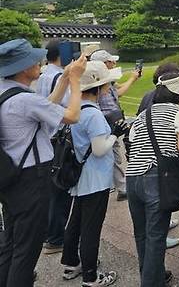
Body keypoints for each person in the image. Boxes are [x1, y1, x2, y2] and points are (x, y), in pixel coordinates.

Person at [0, 38, 85, 287]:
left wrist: (66, 78)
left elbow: (45, 107)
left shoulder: (7, 90)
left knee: (11, 242)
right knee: (27, 250)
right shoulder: (26, 100)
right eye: (35, 60)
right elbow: (72, 115)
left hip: (8, 175)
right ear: (24, 68)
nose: (40, 63)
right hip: (30, 179)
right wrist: (77, 81)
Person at [61, 61, 127, 286]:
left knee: (76, 220)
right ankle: (90, 276)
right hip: (95, 178)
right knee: (91, 228)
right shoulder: (95, 115)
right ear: (98, 88)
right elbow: (99, 149)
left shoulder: (75, 108)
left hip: (79, 174)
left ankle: (71, 263)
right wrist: (114, 134)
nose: (108, 88)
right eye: (106, 84)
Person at [127, 72, 179, 286]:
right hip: (156, 178)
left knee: (142, 235)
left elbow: (132, 141)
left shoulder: (143, 115)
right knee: (156, 237)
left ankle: (152, 276)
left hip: (133, 178)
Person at [136, 62, 179, 250]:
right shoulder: (170, 103)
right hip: (159, 162)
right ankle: (160, 237)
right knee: (158, 199)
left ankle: (162, 228)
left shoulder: (148, 96)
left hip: (142, 161)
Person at [35, 39, 73, 255]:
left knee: (50, 190)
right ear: (63, 54)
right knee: (61, 190)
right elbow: (69, 110)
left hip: (46, 138)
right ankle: (56, 237)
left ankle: (48, 234)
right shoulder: (60, 77)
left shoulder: (43, 75)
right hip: (59, 138)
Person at [89, 50, 140, 202]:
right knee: (113, 152)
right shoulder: (99, 81)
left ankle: (111, 183)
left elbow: (117, 89)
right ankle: (122, 187)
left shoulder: (102, 78)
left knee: (111, 152)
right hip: (107, 121)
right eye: (111, 61)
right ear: (104, 64)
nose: (114, 64)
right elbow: (119, 94)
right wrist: (132, 79)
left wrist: (134, 79)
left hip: (107, 121)